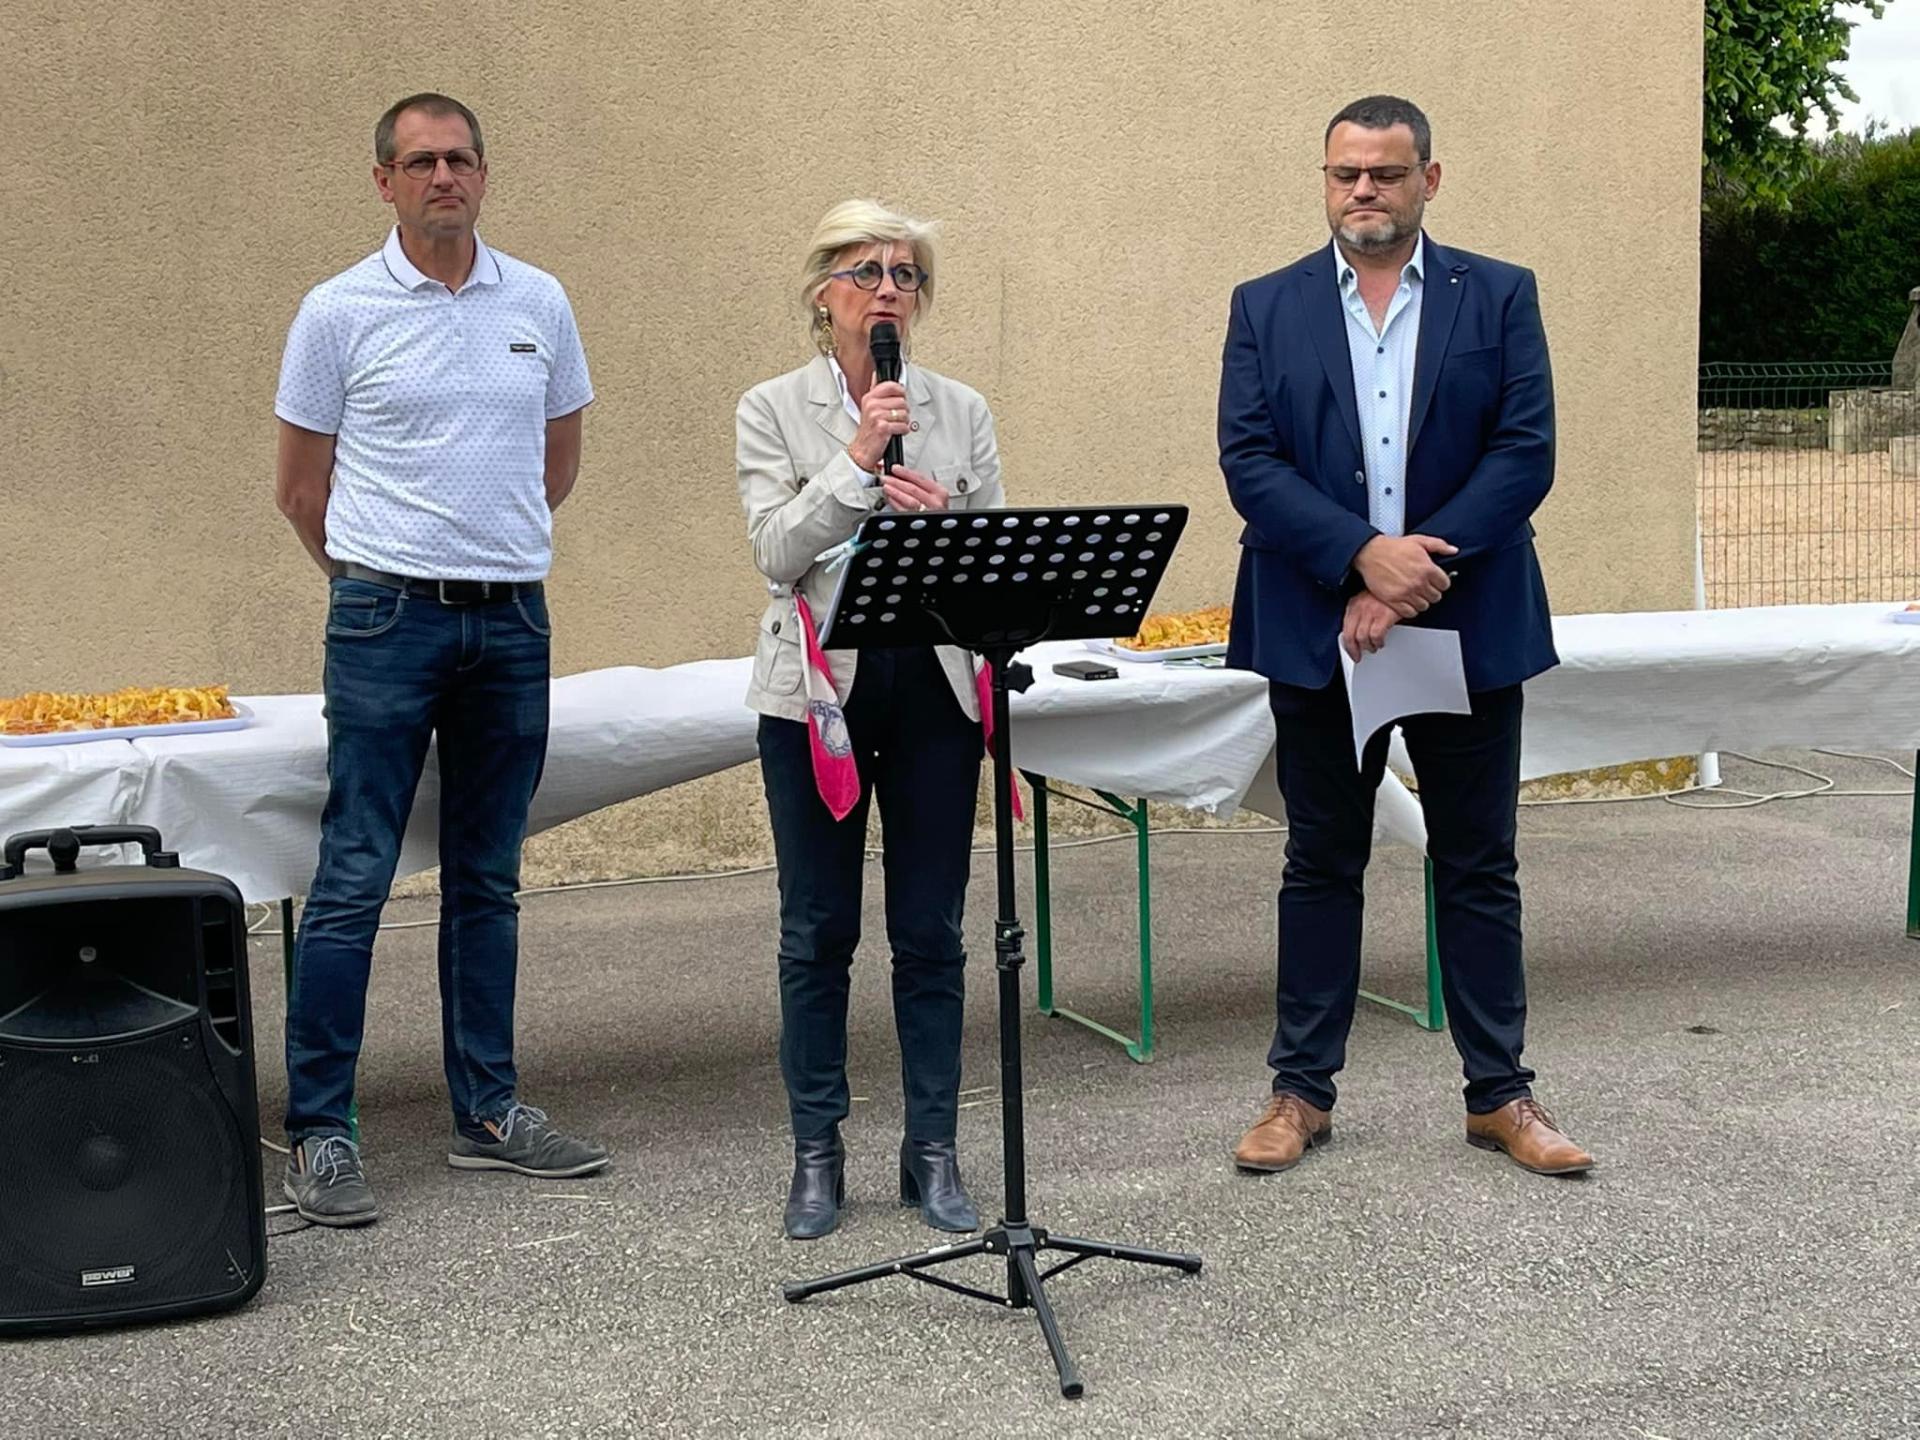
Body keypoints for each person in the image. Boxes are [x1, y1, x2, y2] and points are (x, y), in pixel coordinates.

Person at [1217, 95, 1593, 1179]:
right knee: (1320, 861)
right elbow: (1251, 460)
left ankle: (1500, 1095)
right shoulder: (1266, 305)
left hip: (1464, 620)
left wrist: (1411, 568)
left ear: (1431, 177)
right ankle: (1300, 1093)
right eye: (1345, 174)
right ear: (1325, 180)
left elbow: (1524, 455)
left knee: (1478, 862)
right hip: (1318, 622)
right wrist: (1356, 559)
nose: (1363, 192)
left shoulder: (1501, 295)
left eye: (1385, 173)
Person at [272, 92, 607, 1226]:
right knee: (353, 875)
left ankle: (490, 1113)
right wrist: (378, 578)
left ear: (483, 172)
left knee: (488, 877)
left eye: (460, 157)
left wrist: (483, 553)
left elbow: (554, 462)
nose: (443, 177)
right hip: (384, 623)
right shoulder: (335, 312)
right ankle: (321, 1132)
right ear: (384, 182)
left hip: (511, 619)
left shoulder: (542, 302)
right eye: (419, 162)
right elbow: (299, 490)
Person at [737, 199, 1005, 1239]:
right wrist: (855, 464)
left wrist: (949, 537)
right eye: (865, 271)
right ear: (822, 294)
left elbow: (994, 563)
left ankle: (931, 1151)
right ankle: (817, 1153)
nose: (888, 288)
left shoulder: (962, 409)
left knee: (931, 930)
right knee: (818, 932)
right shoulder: (770, 408)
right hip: (817, 693)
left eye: (905, 274)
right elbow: (774, 552)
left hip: (930, 686)